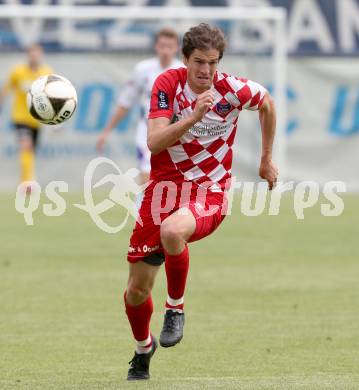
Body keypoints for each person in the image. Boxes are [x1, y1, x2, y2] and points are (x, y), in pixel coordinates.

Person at [124, 23, 278, 381]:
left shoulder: (235, 90)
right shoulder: (167, 85)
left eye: (212, 62)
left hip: (211, 191)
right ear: (185, 59)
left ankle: (175, 309)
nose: (205, 70)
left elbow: (267, 104)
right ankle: (143, 348)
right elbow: (154, 143)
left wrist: (266, 159)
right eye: (198, 62)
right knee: (135, 292)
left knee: (173, 231)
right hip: (162, 191)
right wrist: (193, 115)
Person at [96, 27, 182, 186]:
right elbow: (125, 102)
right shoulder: (143, 70)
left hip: (175, 129)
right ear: (156, 46)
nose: (166, 50)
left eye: (170, 46)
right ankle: (147, 208)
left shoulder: (183, 71)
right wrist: (106, 131)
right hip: (148, 128)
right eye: (162, 46)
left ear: (177, 48)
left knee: (174, 177)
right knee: (146, 170)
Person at [0, 44, 52, 186]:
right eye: (31, 53)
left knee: (30, 152)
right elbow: (5, 90)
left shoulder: (46, 73)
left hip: (36, 120)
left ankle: (24, 180)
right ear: (28, 55)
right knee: (26, 146)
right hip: (20, 117)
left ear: (40, 55)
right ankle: (28, 182)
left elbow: (52, 95)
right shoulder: (18, 72)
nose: (34, 56)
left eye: (37, 54)